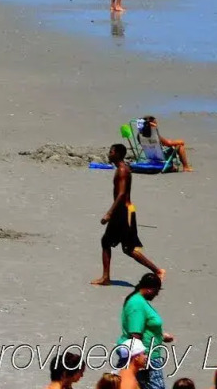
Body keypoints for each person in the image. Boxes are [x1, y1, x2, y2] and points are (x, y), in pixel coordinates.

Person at [92, 143, 161, 285]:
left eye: (111, 152)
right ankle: (106, 277)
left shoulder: (122, 170)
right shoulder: (121, 169)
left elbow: (122, 193)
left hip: (123, 212)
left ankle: (158, 271)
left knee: (128, 249)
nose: (109, 154)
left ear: (117, 154)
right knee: (106, 241)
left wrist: (109, 213)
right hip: (121, 211)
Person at [119, 272, 172, 389]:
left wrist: (161, 336)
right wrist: (142, 358)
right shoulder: (137, 304)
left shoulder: (139, 301)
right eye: (156, 291)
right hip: (147, 357)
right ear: (150, 289)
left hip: (147, 356)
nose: (156, 294)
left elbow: (144, 329)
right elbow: (135, 334)